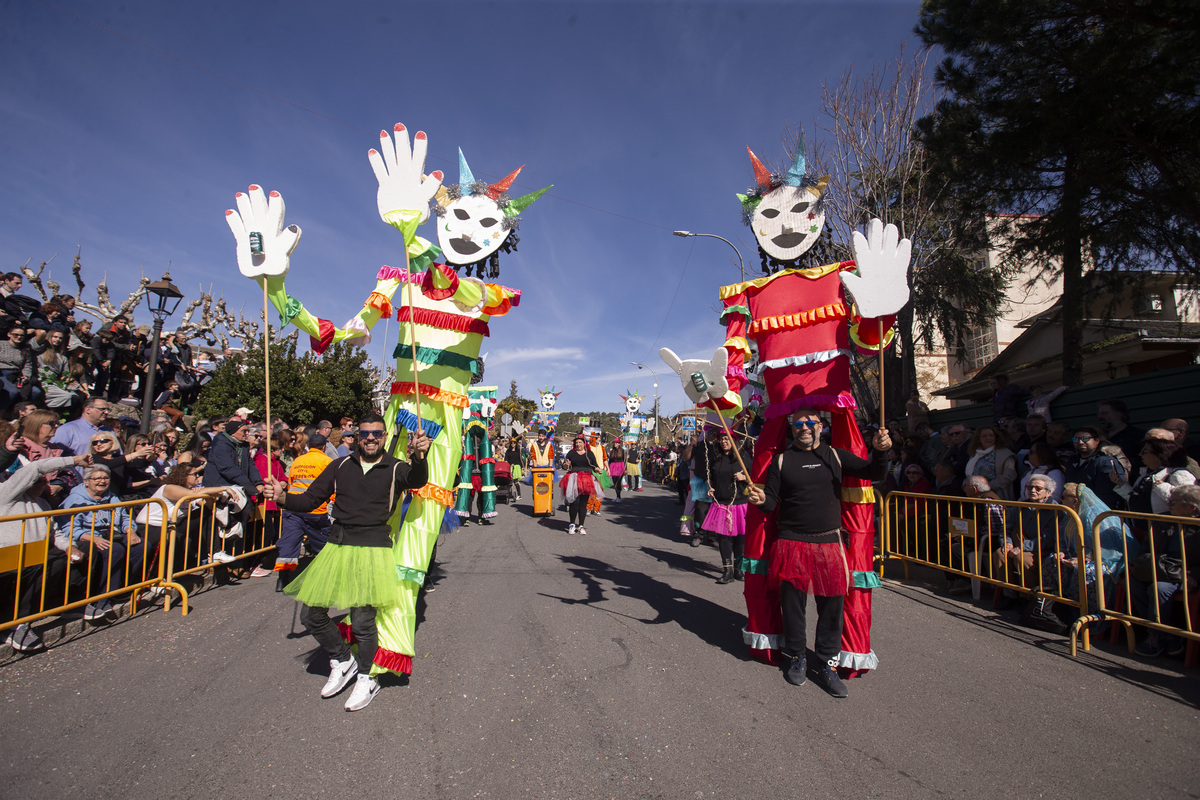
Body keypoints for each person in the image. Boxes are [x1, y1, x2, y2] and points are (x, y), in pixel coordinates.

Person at [262, 415, 431, 712]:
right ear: (355, 436)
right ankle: (343, 659)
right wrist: (282, 496)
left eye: (376, 434)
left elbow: (418, 480)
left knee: (364, 622)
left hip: (373, 549)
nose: (370, 438)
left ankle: (367, 677)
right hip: (338, 546)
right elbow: (309, 499)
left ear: (384, 435)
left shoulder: (395, 467)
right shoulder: (339, 465)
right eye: (364, 433)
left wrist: (420, 456)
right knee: (311, 616)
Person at [747, 409, 890, 698]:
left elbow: (873, 473)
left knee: (832, 608)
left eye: (810, 423)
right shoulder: (782, 459)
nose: (805, 428)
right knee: (793, 606)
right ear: (792, 428)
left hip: (829, 544)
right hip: (791, 543)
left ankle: (827, 663)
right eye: (799, 424)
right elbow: (771, 500)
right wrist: (762, 500)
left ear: (821, 426)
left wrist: (881, 451)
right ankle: (797, 656)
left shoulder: (836, 456)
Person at [1, 451, 91, 651]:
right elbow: (34, 468)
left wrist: (70, 547)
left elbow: (55, 533)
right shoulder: (6, 494)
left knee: (63, 558)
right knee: (41, 563)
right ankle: (12, 625)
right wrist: (74, 460)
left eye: (43, 482)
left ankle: (24, 622)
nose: (42, 485)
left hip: (33, 553)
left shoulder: (41, 504)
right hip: (7, 554)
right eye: (37, 482)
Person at [273, 433, 333, 575]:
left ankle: (283, 579)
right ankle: (324, 575)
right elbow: (332, 486)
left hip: (293, 506)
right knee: (323, 544)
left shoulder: (298, 460)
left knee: (289, 542)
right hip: (315, 509)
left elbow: (291, 481)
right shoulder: (326, 461)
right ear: (324, 447)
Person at [703, 429, 751, 584]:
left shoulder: (743, 457)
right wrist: (710, 487)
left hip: (740, 502)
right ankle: (727, 570)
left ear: (734, 440)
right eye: (722, 439)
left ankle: (738, 569)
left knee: (740, 539)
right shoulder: (715, 458)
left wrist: (744, 477)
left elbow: (756, 475)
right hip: (722, 503)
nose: (724, 442)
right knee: (725, 538)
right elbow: (710, 475)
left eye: (727, 439)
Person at [1064, 425, 1127, 511]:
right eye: (1076, 439)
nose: (1080, 442)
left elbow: (1108, 494)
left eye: (1085, 439)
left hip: (1101, 513)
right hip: (1076, 512)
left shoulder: (1105, 462)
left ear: (1097, 441)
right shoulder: (1072, 462)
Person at [559, 435, 600, 535]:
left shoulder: (589, 454)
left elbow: (595, 466)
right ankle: (572, 524)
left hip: (587, 479)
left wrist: (598, 469)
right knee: (574, 502)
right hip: (574, 478)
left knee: (583, 503)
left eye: (580, 442)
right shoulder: (571, 453)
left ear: (584, 443)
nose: (578, 444)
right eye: (576, 443)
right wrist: (566, 465)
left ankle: (581, 525)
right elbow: (564, 466)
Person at [964, 425, 1018, 500]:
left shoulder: (1005, 454)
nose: (988, 438)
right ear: (979, 439)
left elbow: (1009, 475)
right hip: (976, 496)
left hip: (997, 495)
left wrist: (988, 486)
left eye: (991, 435)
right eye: (984, 436)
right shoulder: (974, 455)